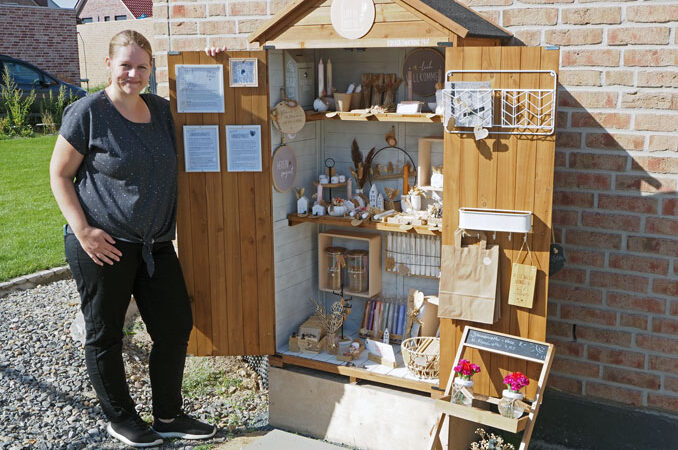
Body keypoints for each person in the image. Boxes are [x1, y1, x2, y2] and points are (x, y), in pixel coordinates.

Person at [50, 30, 217, 447]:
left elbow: (211, 108)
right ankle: (121, 417)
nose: (134, 73)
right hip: (102, 245)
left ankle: (167, 415)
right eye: (126, 64)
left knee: (175, 326)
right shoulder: (89, 112)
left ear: (151, 69)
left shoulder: (160, 110)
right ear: (108, 64)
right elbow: (59, 174)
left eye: (142, 66)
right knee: (105, 332)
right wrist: (84, 231)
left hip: (154, 245)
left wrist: (218, 64)